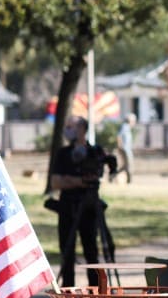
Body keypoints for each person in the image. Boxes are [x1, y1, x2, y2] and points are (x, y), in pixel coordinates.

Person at [48, 116, 115, 287]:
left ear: (83, 129)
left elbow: (104, 170)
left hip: (89, 209)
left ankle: (95, 294)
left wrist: (69, 180)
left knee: (91, 253)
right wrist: (79, 181)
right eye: (67, 126)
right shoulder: (63, 154)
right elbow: (55, 182)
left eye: (73, 126)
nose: (69, 130)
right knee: (67, 253)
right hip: (67, 208)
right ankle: (68, 295)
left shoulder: (95, 152)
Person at [115, 113, 135, 183]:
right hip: (124, 149)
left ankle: (113, 175)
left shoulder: (128, 127)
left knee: (125, 166)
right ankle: (129, 181)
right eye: (133, 120)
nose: (134, 122)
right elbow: (119, 136)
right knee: (128, 165)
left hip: (127, 149)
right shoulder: (125, 126)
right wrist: (120, 146)